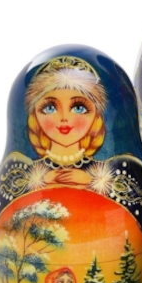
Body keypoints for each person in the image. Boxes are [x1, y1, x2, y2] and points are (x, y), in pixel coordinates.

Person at [24, 56, 108, 186]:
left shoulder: (110, 172)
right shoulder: (24, 172)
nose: (64, 118)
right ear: (34, 115)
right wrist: (43, 180)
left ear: (96, 116)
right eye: (50, 108)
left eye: (79, 108)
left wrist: (91, 180)